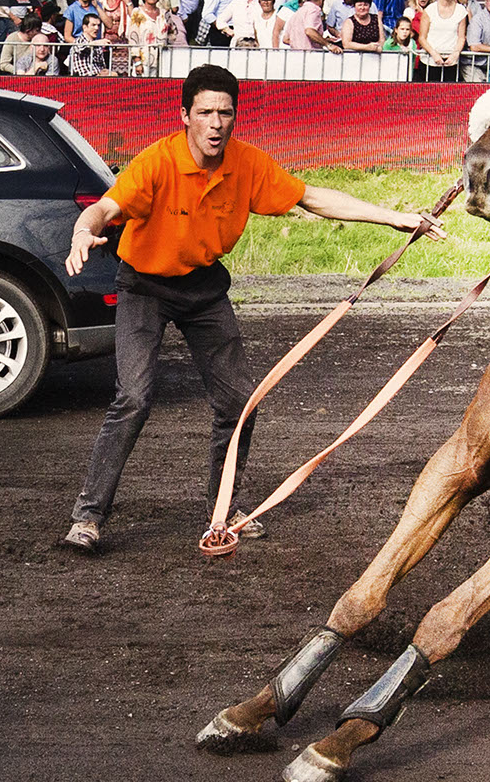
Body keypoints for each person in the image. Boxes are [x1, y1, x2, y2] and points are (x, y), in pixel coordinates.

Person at [57, 65, 440, 554]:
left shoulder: (247, 164)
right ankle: (88, 517)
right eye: (205, 113)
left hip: (203, 289)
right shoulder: (157, 162)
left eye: (225, 112)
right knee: (133, 396)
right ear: (185, 116)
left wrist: (395, 218)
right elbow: (106, 209)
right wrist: (82, 231)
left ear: (235, 116)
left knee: (240, 401)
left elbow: (313, 198)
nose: (216, 123)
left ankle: (223, 507)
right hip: (145, 286)